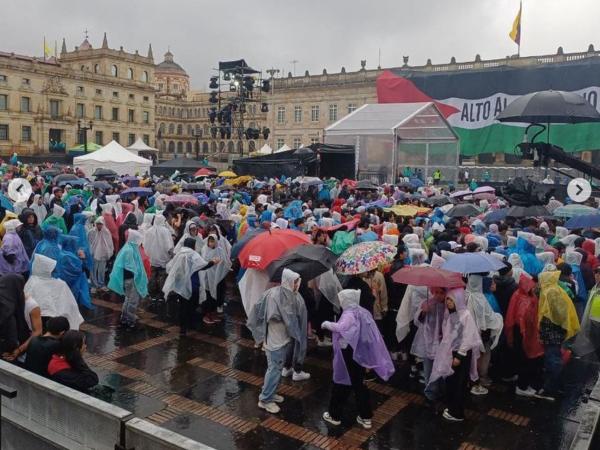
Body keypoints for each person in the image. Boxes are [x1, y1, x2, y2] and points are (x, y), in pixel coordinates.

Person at [321, 289, 395, 429]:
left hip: (348, 353)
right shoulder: (363, 312)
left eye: (342, 299)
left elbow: (341, 327)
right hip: (359, 353)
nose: (341, 301)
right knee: (359, 385)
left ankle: (334, 415)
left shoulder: (349, 314)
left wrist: (326, 324)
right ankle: (365, 416)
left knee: (341, 382)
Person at [247, 269, 308, 414]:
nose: (297, 285)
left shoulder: (289, 295)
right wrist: (288, 318)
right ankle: (265, 399)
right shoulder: (274, 295)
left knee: (277, 368)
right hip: (275, 340)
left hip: (282, 338)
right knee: (274, 369)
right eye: (295, 282)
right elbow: (271, 315)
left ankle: (271, 393)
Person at [428, 288, 482, 422]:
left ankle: (457, 413)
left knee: (458, 383)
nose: (448, 302)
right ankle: (452, 408)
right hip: (451, 353)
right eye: (447, 299)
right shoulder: (450, 313)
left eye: (451, 299)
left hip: (460, 355)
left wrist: (459, 356)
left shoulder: (465, 315)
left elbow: (468, 337)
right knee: (451, 382)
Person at [537, 271, 580, 400]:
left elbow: (555, 313)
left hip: (552, 333)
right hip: (555, 332)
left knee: (553, 360)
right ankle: (558, 385)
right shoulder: (555, 289)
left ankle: (552, 388)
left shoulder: (551, 292)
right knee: (553, 358)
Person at [163, 237, 217, 335]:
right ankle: (191, 324)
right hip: (193, 285)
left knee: (183, 306)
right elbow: (203, 266)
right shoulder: (194, 254)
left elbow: (170, 267)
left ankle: (183, 329)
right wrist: (213, 262)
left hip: (181, 286)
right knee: (192, 305)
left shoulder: (179, 254)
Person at [505, 275, 545, 397]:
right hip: (524, 333)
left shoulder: (519, 294)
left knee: (521, 357)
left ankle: (521, 382)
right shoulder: (525, 298)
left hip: (522, 332)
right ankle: (522, 386)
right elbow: (522, 317)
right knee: (525, 359)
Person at [24, 254, 84, 330]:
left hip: (37, 320)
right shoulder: (60, 284)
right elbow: (70, 306)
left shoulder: (32, 282)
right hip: (55, 321)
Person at [108, 230, 149, 329]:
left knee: (128, 299)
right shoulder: (130, 250)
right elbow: (131, 266)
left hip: (128, 279)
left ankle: (124, 317)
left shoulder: (128, 247)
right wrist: (138, 276)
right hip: (131, 279)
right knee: (133, 300)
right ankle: (130, 320)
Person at [0, 274, 41, 362]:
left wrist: (19, 350)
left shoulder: (31, 305)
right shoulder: (3, 300)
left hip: (23, 346)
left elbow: (37, 331)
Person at [199, 233, 231, 324]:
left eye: (213, 241)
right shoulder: (204, 249)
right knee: (208, 296)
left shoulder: (220, 250)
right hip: (207, 278)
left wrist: (220, 264)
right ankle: (207, 315)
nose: (211, 243)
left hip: (217, 278)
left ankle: (213, 314)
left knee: (215, 297)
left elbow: (225, 262)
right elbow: (203, 263)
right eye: (210, 241)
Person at [143, 214, 174, 302]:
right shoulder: (165, 231)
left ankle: (151, 293)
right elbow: (169, 246)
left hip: (152, 258)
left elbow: (145, 244)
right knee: (162, 276)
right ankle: (161, 294)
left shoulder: (149, 231)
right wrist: (172, 256)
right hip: (163, 258)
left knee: (152, 276)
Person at [573, 266, 600, 360]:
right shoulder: (595, 287)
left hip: (597, 321)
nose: (596, 276)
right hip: (593, 320)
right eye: (596, 273)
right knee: (594, 342)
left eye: (598, 273)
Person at [87, 217, 114, 291]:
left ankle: (101, 283)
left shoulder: (106, 232)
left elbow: (109, 244)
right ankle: (93, 285)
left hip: (103, 254)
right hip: (93, 254)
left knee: (101, 270)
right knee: (93, 270)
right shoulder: (91, 232)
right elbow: (88, 243)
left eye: (101, 224)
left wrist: (109, 253)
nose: (99, 226)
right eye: (98, 224)